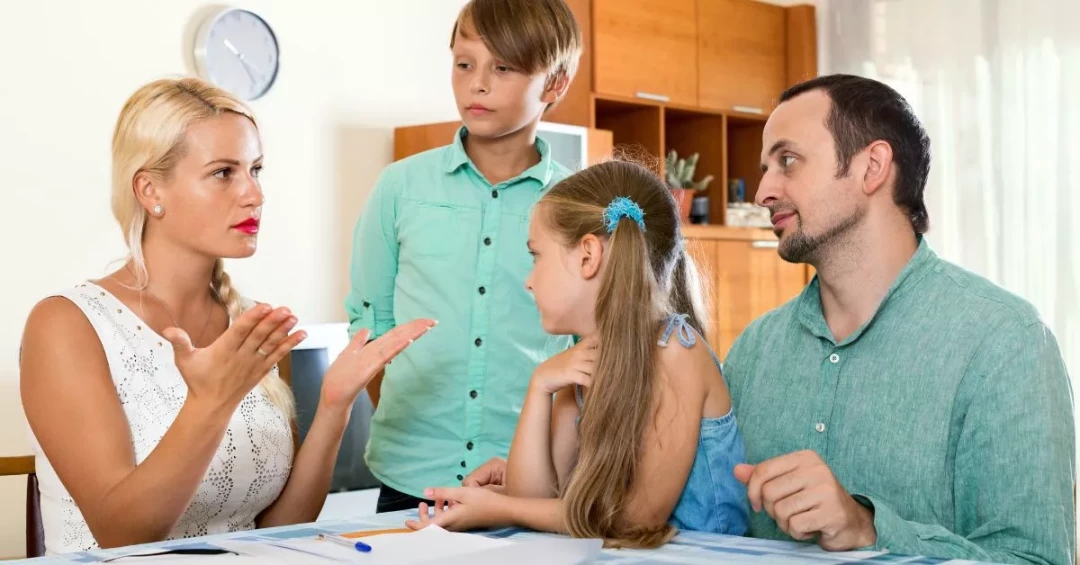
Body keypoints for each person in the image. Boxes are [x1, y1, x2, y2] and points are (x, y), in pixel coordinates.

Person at [19, 78, 434, 554]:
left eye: (256, 169)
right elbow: (122, 534)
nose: (254, 194)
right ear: (150, 189)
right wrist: (210, 401)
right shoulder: (66, 325)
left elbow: (279, 525)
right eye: (223, 173)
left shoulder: (251, 324)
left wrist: (334, 408)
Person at [722, 74, 1075, 565]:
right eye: (765, 168)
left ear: (872, 167)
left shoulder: (1006, 343)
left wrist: (868, 529)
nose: (763, 191)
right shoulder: (753, 350)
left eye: (788, 161)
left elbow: (1035, 559)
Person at [403, 160, 750, 548]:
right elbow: (536, 498)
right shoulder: (580, 362)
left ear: (588, 255)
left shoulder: (676, 353)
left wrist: (499, 509)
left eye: (536, 255)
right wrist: (540, 386)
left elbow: (638, 518)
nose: (529, 281)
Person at [344, 0, 583, 513]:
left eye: (503, 67)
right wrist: (416, 434)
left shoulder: (580, 206)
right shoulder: (399, 187)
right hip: (409, 478)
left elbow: (593, 349)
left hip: (530, 480)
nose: (478, 84)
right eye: (464, 63)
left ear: (556, 84)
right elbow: (370, 326)